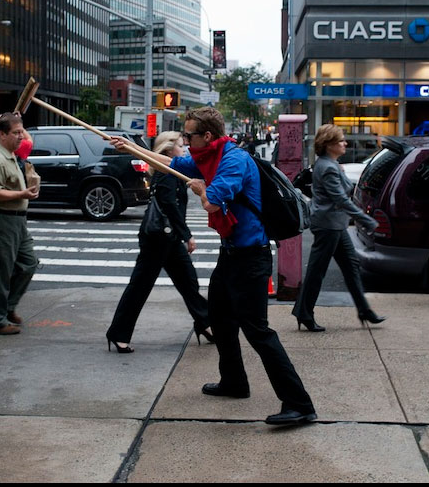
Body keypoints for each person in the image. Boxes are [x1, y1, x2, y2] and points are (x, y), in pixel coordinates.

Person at [111, 107, 316, 426]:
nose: (186, 141)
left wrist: (200, 188)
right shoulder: (211, 154)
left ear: (206, 136)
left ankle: (299, 403)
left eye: (189, 135)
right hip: (232, 253)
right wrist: (131, 148)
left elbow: (212, 203)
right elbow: (171, 164)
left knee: (257, 331)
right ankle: (234, 382)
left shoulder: (232, 161)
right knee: (220, 318)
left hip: (251, 257)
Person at [105, 131, 212, 353]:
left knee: (188, 282)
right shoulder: (167, 174)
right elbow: (169, 205)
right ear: (168, 151)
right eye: (181, 147)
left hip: (168, 237)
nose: (184, 150)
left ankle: (205, 323)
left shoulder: (172, 172)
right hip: (157, 238)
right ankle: (118, 333)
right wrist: (187, 235)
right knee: (140, 286)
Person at [291, 124, 385, 332]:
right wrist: (364, 219)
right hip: (328, 226)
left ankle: (364, 310)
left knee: (351, 268)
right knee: (317, 271)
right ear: (329, 145)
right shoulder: (328, 167)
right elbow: (341, 199)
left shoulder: (331, 164)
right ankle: (304, 313)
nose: (345, 143)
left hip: (335, 225)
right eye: (341, 141)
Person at [0, 112, 40, 335]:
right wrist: (22, 194)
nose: (20, 137)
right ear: (2, 134)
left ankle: (9, 307)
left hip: (16, 220)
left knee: (29, 263)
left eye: (20, 132)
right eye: (15, 133)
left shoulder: (11, 154)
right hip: (0, 219)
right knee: (1, 273)